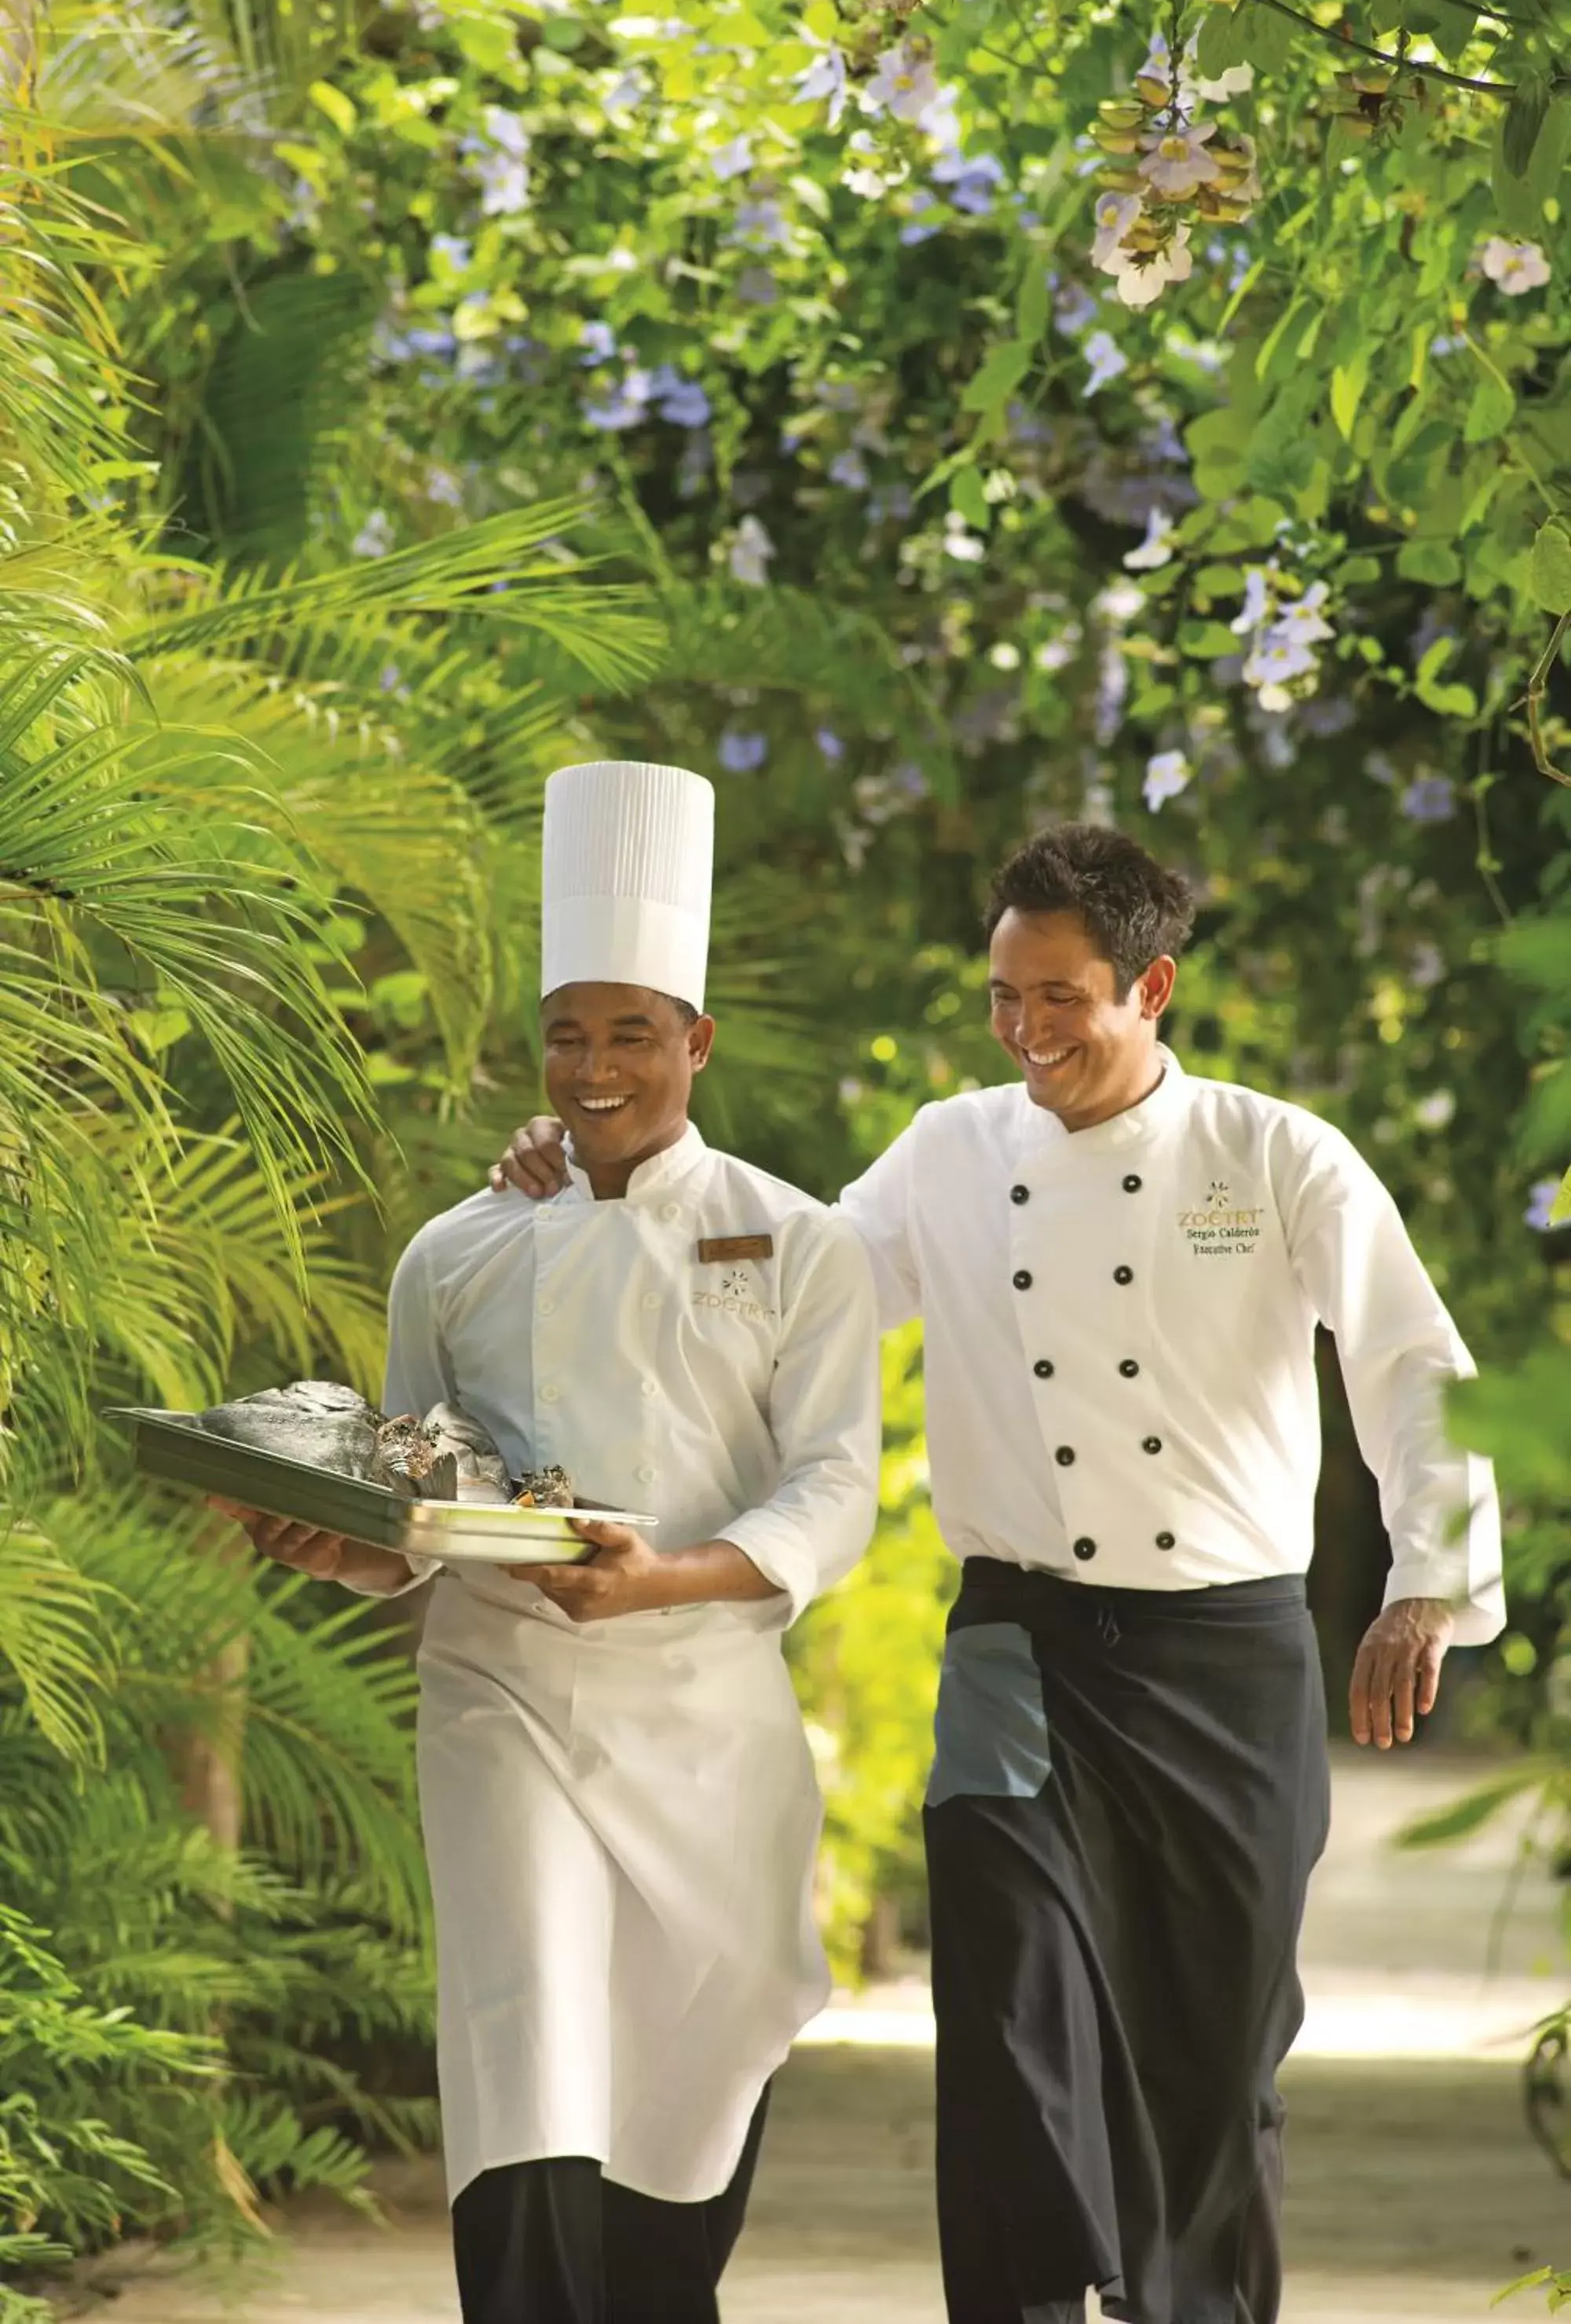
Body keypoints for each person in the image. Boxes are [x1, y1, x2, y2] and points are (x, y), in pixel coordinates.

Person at [493, 818, 1504, 2324]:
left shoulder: (1276, 1153)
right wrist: (598, 1181)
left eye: (1061, 999)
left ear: (1149, 990)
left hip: (1229, 1655)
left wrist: (1428, 1578)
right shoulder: (953, 1151)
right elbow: (778, 1292)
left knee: (1216, 2058)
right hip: (1017, 1644)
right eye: (1003, 999)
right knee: (1008, 2014)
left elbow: (1414, 1367)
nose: (1027, 1032)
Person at [217, 759, 882, 2324]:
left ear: (695, 1042)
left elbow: (833, 1486)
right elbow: (415, 1502)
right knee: (525, 2038)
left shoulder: (800, 1242)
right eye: (568, 1035)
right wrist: (337, 1550)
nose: (595, 1069)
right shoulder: (456, 1252)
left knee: (712, 2030)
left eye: (631, 1034)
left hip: (711, 1713)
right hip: (501, 1693)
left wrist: (669, 1578)